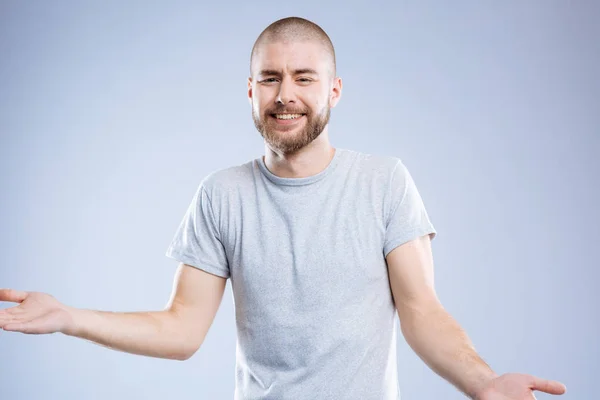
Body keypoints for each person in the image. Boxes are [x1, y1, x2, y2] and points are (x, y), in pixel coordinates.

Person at [0, 16, 566, 400]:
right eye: (269, 78)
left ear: (334, 90)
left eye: (303, 77)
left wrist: (483, 383)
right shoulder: (221, 195)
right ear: (250, 91)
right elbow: (181, 329)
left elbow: (422, 313)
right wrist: (67, 318)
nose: (284, 94)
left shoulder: (384, 181)